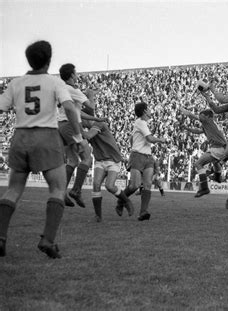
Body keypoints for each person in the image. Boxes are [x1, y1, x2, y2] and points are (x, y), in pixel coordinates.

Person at [0, 40, 82, 258]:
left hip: (20, 136)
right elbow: (69, 108)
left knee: (14, 189)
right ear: (49, 60)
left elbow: (1, 107)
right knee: (57, 188)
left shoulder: (15, 83)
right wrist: (79, 137)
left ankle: (0, 237)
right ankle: (48, 239)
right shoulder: (55, 83)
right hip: (46, 136)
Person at [57, 63, 101, 208]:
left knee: (73, 160)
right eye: (75, 73)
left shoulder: (63, 89)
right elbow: (91, 106)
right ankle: (76, 190)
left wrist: (95, 120)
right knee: (87, 157)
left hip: (61, 126)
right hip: (70, 126)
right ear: (71, 75)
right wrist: (91, 95)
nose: (77, 75)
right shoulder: (74, 90)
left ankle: (61, 193)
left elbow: (77, 111)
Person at [116, 102, 166, 221]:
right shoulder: (140, 122)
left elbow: (131, 138)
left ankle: (143, 212)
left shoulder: (143, 124)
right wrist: (160, 140)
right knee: (135, 185)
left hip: (148, 156)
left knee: (147, 184)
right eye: (148, 109)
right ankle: (120, 201)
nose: (150, 110)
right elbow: (149, 138)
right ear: (144, 111)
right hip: (138, 156)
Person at [82, 120, 134, 222]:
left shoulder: (99, 124)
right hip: (100, 160)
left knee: (109, 186)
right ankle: (98, 216)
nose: (80, 122)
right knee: (96, 185)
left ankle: (127, 202)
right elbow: (83, 141)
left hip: (113, 160)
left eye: (80, 119)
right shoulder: (89, 129)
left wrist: (75, 128)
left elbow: (88, 136)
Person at [179, 105, 226, 197]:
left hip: (218, 147)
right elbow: (198, 131)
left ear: (208, 117)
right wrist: (187, 129)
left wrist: (181, 109)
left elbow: (191, 115)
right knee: (215, 162)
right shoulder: (210, 125)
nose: (200, 117)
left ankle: (204, 188)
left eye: (202, 115)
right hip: (221, 147)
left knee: (198, 164)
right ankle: (217, 177)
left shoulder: (208, 121)